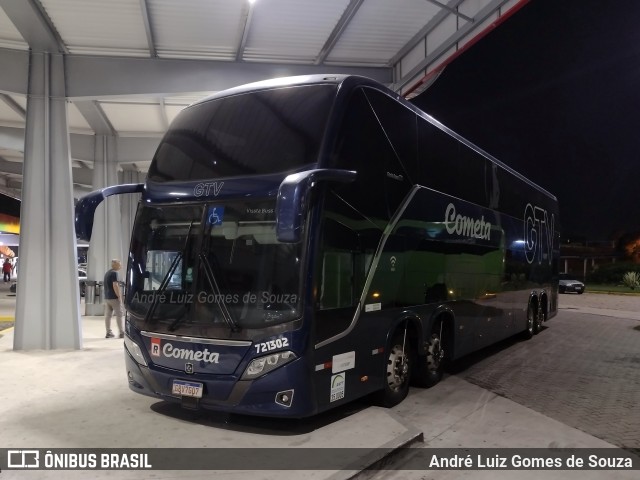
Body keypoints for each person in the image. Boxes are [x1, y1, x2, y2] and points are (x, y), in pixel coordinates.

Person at [104, 259, 124, 339]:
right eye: (119, 264)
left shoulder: (107, 273)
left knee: (108, 315)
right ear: (115, 265)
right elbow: (115, 285)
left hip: (107, 297)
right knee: (119, 314)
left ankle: (108, 332)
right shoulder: (115, 273)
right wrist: (119, 296)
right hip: (114, 298)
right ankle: (121, 332)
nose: (120, 266)